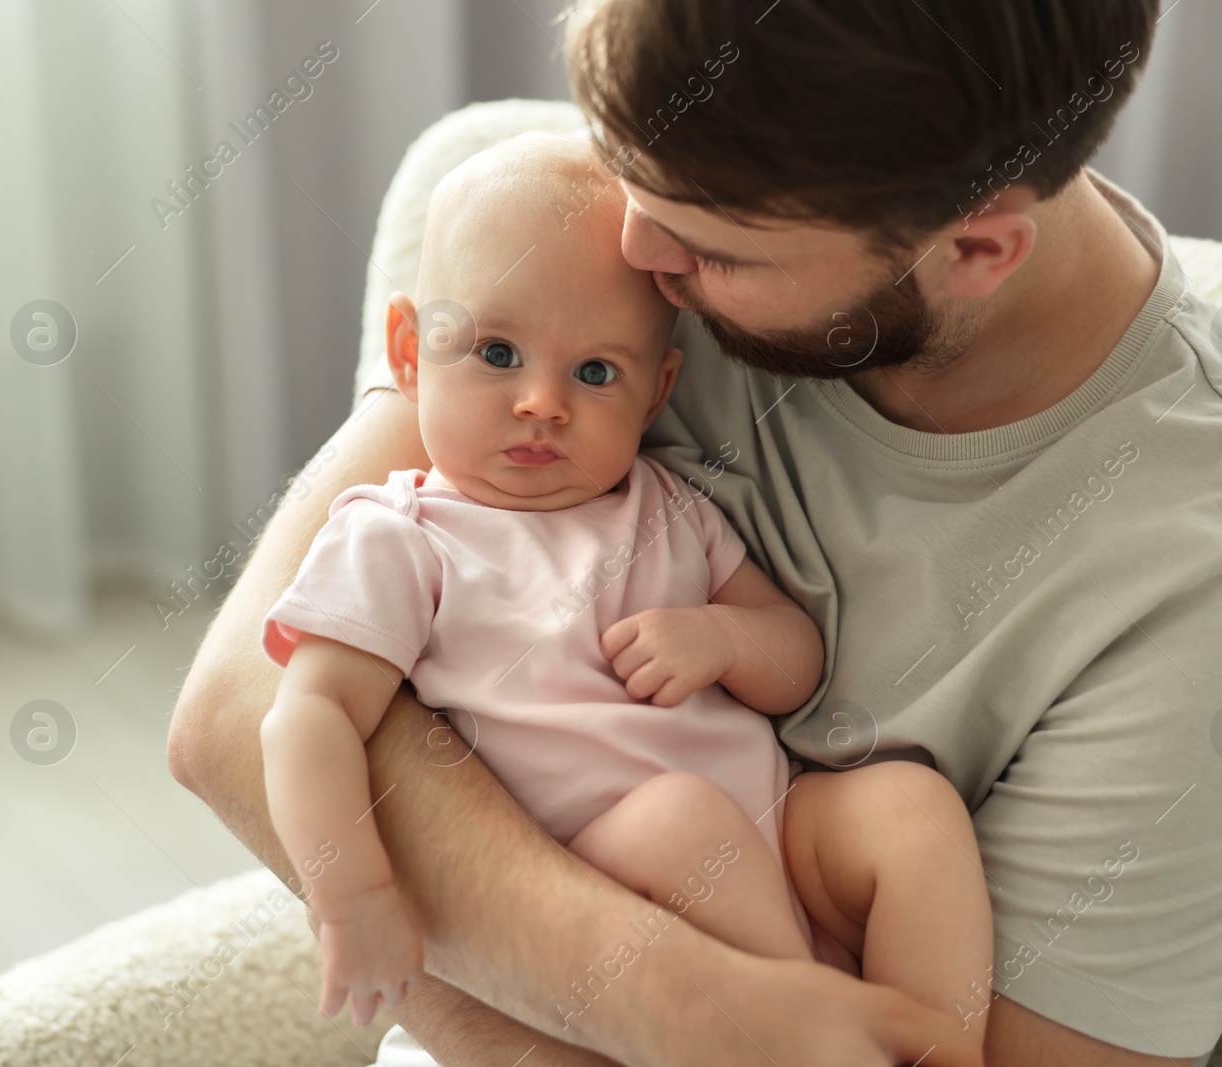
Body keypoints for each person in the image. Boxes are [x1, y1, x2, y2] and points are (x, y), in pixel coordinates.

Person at [168, 1, 1222, 1064]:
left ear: (975, 246)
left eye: (711, 248)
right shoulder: (604, 234)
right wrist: (677, 1000)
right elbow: (239, 718)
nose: (635, 253)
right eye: (628, 171)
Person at [257, 131, 990, 1058]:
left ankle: (939, 1046)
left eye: (596, 373)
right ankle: (804, 1025)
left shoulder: (668, 505)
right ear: (409, 350)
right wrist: (352, 896)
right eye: (495, 352)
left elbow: (794, 658)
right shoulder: (405, 537)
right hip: (605, 882)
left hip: (777, 837)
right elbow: (306, 716)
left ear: (655, 394)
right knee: (679, 820)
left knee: (910, 806)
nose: (541, 403)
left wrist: (722, 639)